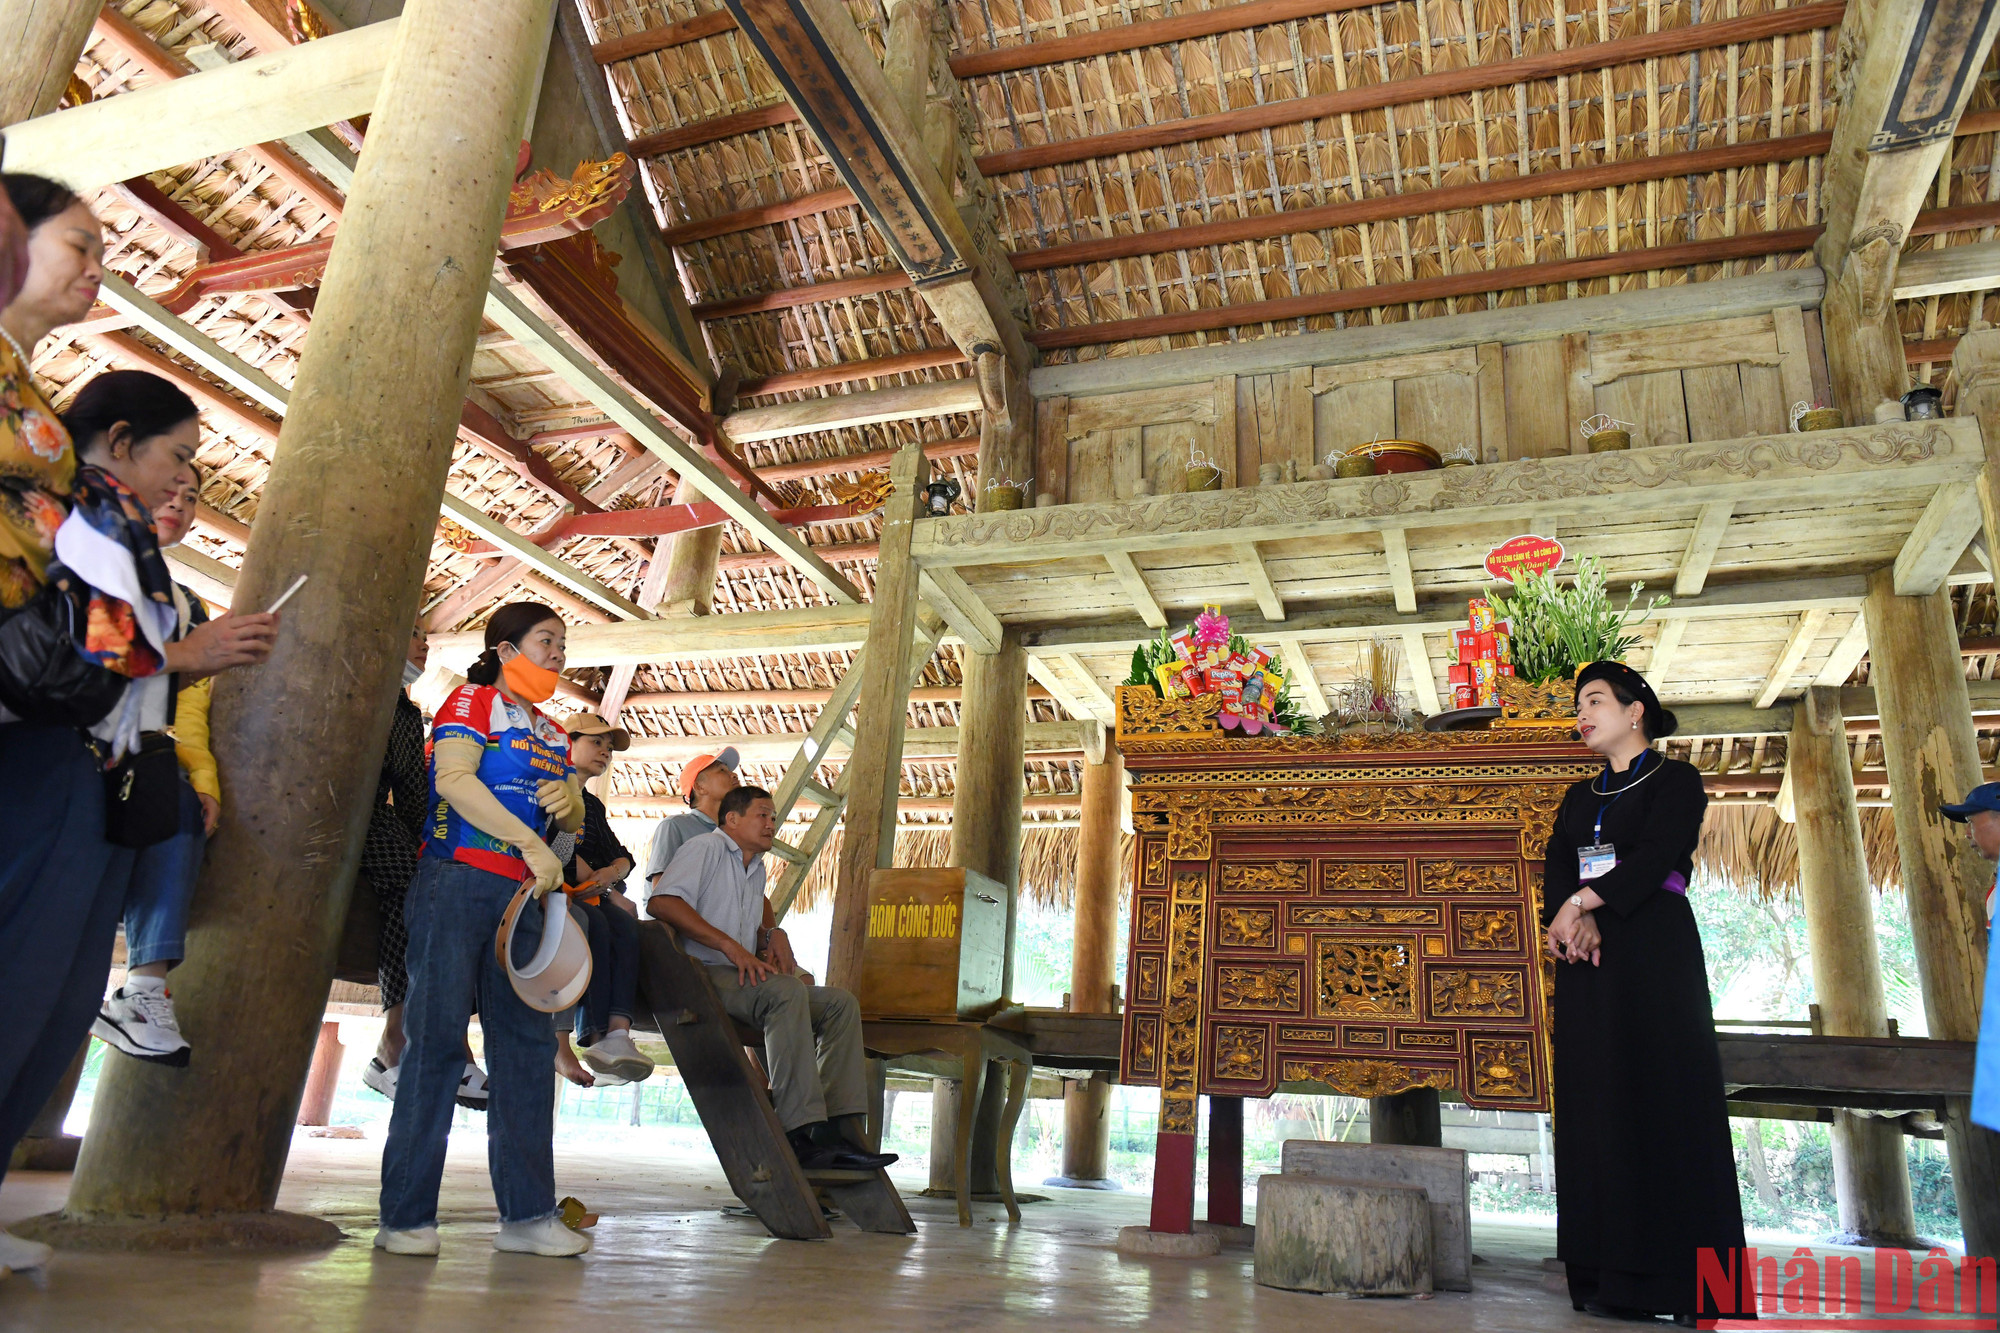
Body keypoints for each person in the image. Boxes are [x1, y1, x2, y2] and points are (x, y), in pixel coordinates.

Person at [0, 237, 276, 1276]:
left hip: (99, 783)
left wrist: (182, 662)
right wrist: (182, 652)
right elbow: (56, 652)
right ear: (118, 440)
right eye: (175, 457)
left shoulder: (117, 533)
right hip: (44, 768)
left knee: (56, 1002)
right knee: (17, 986)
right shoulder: (57, 513)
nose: (183, 478)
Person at [376, 601, 589, 1259]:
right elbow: (455, 782)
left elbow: (569, 836)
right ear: (504, 648)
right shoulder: (470, 702)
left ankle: (527, 1215)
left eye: (562, 643)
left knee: (525, 1050)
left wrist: (571, 809)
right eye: (544, 640)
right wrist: (531, 840)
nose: (557, 653)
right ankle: (405, 1217)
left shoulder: (554, 733)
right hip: (457, 878)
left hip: (523, 897)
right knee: (437, 1040)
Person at [1541, 661, 1749, 1325]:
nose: (1584, 713)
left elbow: (1660, 852)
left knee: (1666, 1097)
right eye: (1580, 704)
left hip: (1653, 948)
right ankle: (1604, 1279)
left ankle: (1692, 1289)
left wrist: (1584, 902)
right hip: (1588, 959)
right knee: (1596, 1103)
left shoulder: (1677, 779)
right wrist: (1567, 922)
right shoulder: (1578, 796)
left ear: (1637, 712)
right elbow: (1556, 865)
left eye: (1596, 700)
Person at [651, 785, 894, 1172]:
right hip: (700, 976)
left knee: (840, 1004)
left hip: (738, 978)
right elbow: (662, 902)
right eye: (762, 815)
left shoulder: (755, 867)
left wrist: (770, 934)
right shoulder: (706, 848)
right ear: (732, 819)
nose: (771, 824)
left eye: (773, 817)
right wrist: (732, 947)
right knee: (784, 991)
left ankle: (836, 1132)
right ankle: (796, 1133)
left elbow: (755, 924)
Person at [93, 469, 221, 1065]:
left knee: (176, 804)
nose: (180, 503)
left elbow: (186, 714)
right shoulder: (75, 553)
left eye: (193, 497)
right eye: (170, 482)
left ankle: (143, 988)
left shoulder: (188, 604)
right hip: (63, 748)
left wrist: (204, 781)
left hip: (135, 755)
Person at [358, 623, 491, 1112]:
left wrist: (429, 847)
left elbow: (415, 791)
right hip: (332, 814)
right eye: (412, 634)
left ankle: (430, 1044)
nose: (423, 643)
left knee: (441, 890)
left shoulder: (405, 713)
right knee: (410, 887)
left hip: (376, 817)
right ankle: (399, 1043)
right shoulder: (346, 686)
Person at [553, 712, 652, 1084]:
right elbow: (554, 848)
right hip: (549, 891)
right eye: (597, 742)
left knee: (626, 927)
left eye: (609, 748)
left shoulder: (592, 806)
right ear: (569, 741)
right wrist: (609, 888)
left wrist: (613, 873)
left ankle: (617, 1032)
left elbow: (624, 856)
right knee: (592, 921)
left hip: (591, 896)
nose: (605, 752)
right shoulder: (547, 787)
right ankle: (592, 1035)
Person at [643, 746, 739, 894]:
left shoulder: (735, 837)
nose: (734, 775)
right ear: (700, 787)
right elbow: (661, 895)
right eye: (721, 770)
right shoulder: (674, 826)